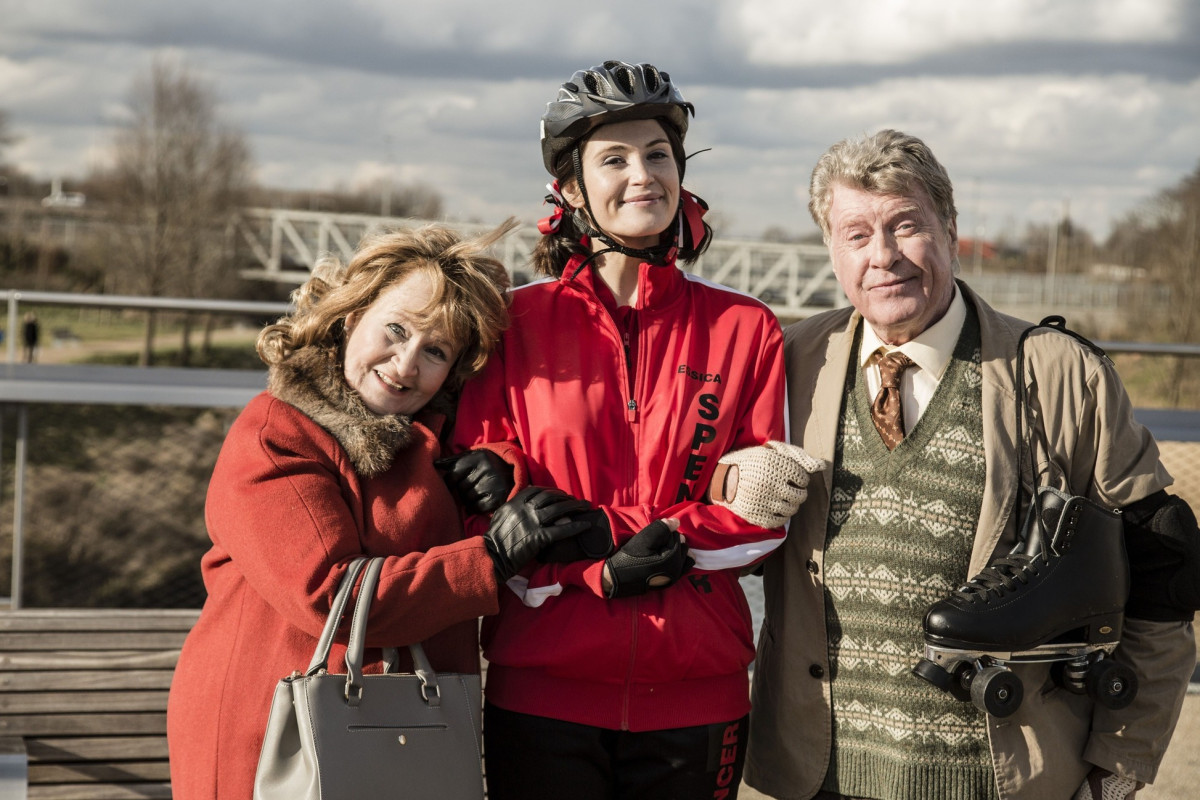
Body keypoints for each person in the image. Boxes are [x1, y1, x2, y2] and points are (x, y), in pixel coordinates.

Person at [741, 129, 1197, 800]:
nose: (884, 256)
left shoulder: (1063, 375)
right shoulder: (788, 363)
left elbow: (1165, 572)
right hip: (821, 774)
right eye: (857, 235)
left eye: (906, 226)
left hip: (999, 776)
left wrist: (1121, 760)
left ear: (950, 228)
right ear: (831, 250)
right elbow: (720, 527)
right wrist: (732, 484)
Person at [445, 60, 817, 800]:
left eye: (657, 154)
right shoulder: (512, 322)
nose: (642, 174)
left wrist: (608, 537)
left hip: (698, 690)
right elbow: (482, 505)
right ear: (573, 190)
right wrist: (595, 566)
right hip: (541, 688)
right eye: (613, 159)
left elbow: (764, 509)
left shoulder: (744, 328)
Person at [167, 221, 596, 800]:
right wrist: (490, 556)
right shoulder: (278, 433)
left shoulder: (431, 440)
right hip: (276, 733)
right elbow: (330, 594)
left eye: (435, 350)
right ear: (351, 317)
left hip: (398, 735)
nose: (405, 363)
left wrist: (497, 472)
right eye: (395, 329)